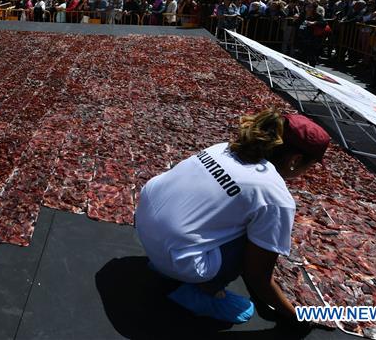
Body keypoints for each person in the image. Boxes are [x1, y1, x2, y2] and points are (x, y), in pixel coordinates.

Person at [135, 110, 330, 326]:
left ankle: (166, 263)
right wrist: (296, 317)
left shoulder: (223, 148)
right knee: (255, 237)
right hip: (175, 258)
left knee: (239, 215)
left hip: (144, 224)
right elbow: (257, 275)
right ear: (295, 159)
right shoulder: (275, 196)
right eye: (310, 166)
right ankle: (203, 293)